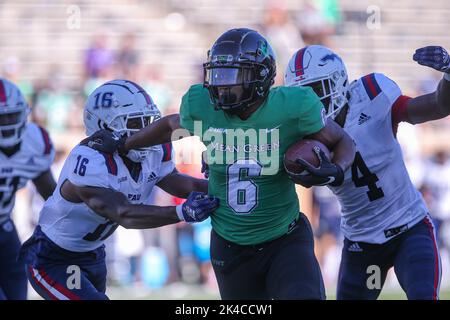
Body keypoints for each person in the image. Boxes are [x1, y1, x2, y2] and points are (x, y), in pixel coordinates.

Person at [85, 29, 356, 299]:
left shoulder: (293, 106)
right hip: (230, 244)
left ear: (261, 77)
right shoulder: (202, 105)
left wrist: (336, 170)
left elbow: (343, 141)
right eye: (218, 74)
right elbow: (170, 125)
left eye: (233, 76)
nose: (222, 85)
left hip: (284, 238)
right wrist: (124, 145)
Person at [19, 80, 219, 300]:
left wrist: (219, 187)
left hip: (93, 254)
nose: (146, 131)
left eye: (148, 122)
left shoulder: (153, 152)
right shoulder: (89, 159)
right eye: (135, 123)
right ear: (105, 127)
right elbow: (123, 213)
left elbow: (173, 180)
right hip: (54, 257)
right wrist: (181, 213)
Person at [284, 45, 450, 299]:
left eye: (316, 90)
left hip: (409, 228)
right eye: (302, 94)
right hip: (362, 244)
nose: (311, 101)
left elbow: (438, 106)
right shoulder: (298, 131)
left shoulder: (372, 96)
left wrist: (449, 74)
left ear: (337, 82)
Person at [0, 78, 57, 300]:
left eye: (11, 115)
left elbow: (49, 192)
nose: (7, 122)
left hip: (5, 226)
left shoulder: (35, 141)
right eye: (1, 117)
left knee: (16, 292)